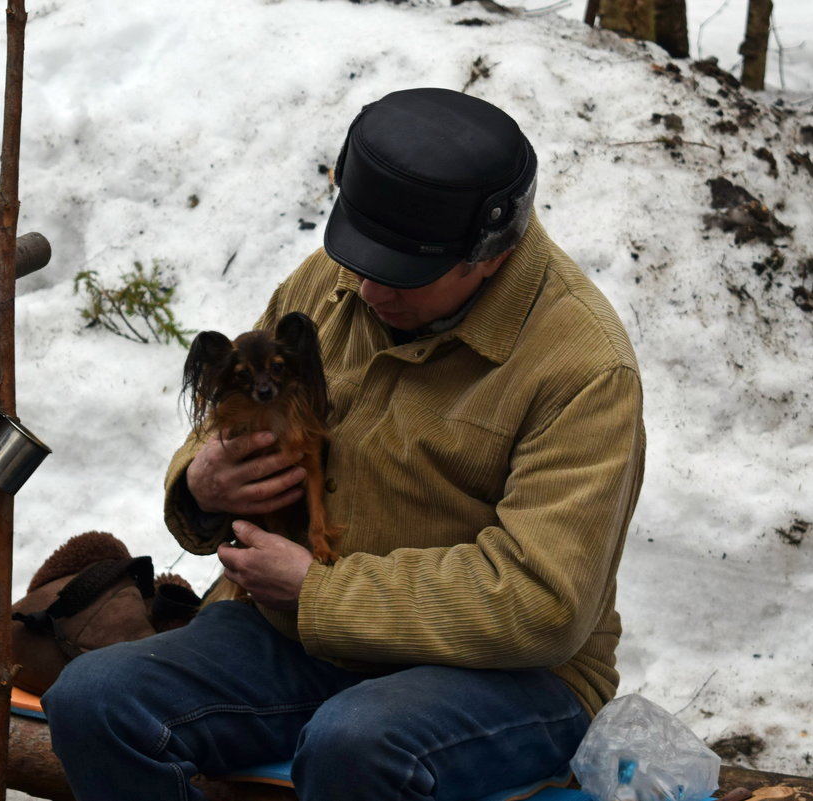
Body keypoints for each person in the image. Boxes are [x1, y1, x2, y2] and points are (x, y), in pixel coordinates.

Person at [43, 87, 646, 801]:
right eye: (358, 257)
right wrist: (201, 484)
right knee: (94, 699)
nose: (364, 287)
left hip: (508, 675)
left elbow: (543, 602)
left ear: (490, 253)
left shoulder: (583, 367)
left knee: (355, 742)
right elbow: (229, 410)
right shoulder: (343, 279)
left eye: (400, 275)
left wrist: (320, 593)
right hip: (300, 637)